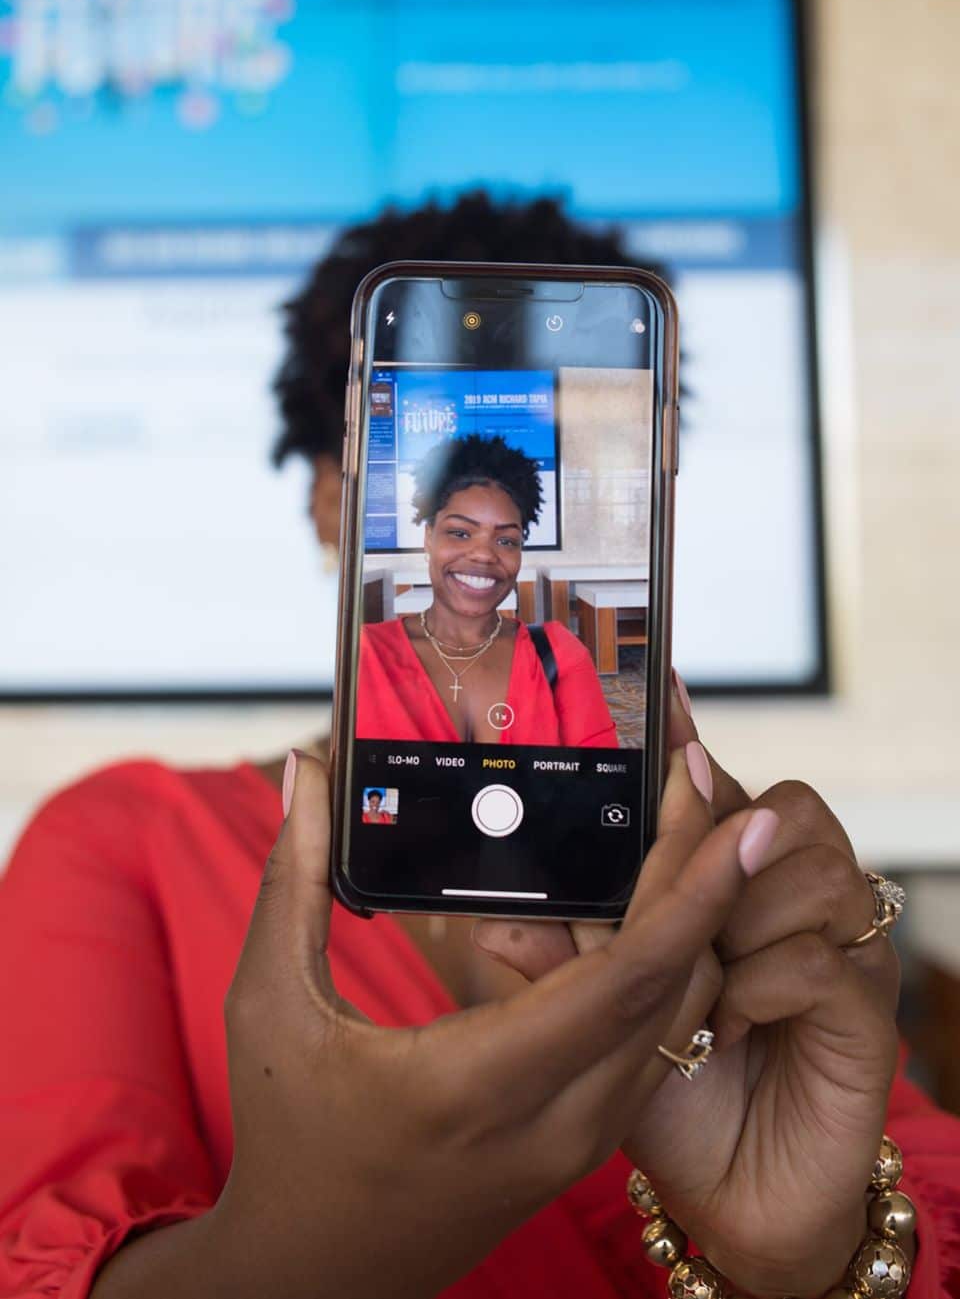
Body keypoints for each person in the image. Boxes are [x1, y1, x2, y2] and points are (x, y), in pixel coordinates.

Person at [1, 191, 959, 1299]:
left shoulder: (670, 844)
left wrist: (807, 1253)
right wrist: (307, 1233)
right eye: (455, 524)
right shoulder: (125, 842)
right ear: (333, 500)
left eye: (510, 533)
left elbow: (918, 1189)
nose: (482, 553)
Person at [357, 432, 618, 745]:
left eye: (506, 540)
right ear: (428, 538)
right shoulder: (361, 655)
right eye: (460, 533)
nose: (483, 554)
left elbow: (596, 773)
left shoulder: (559, 657)